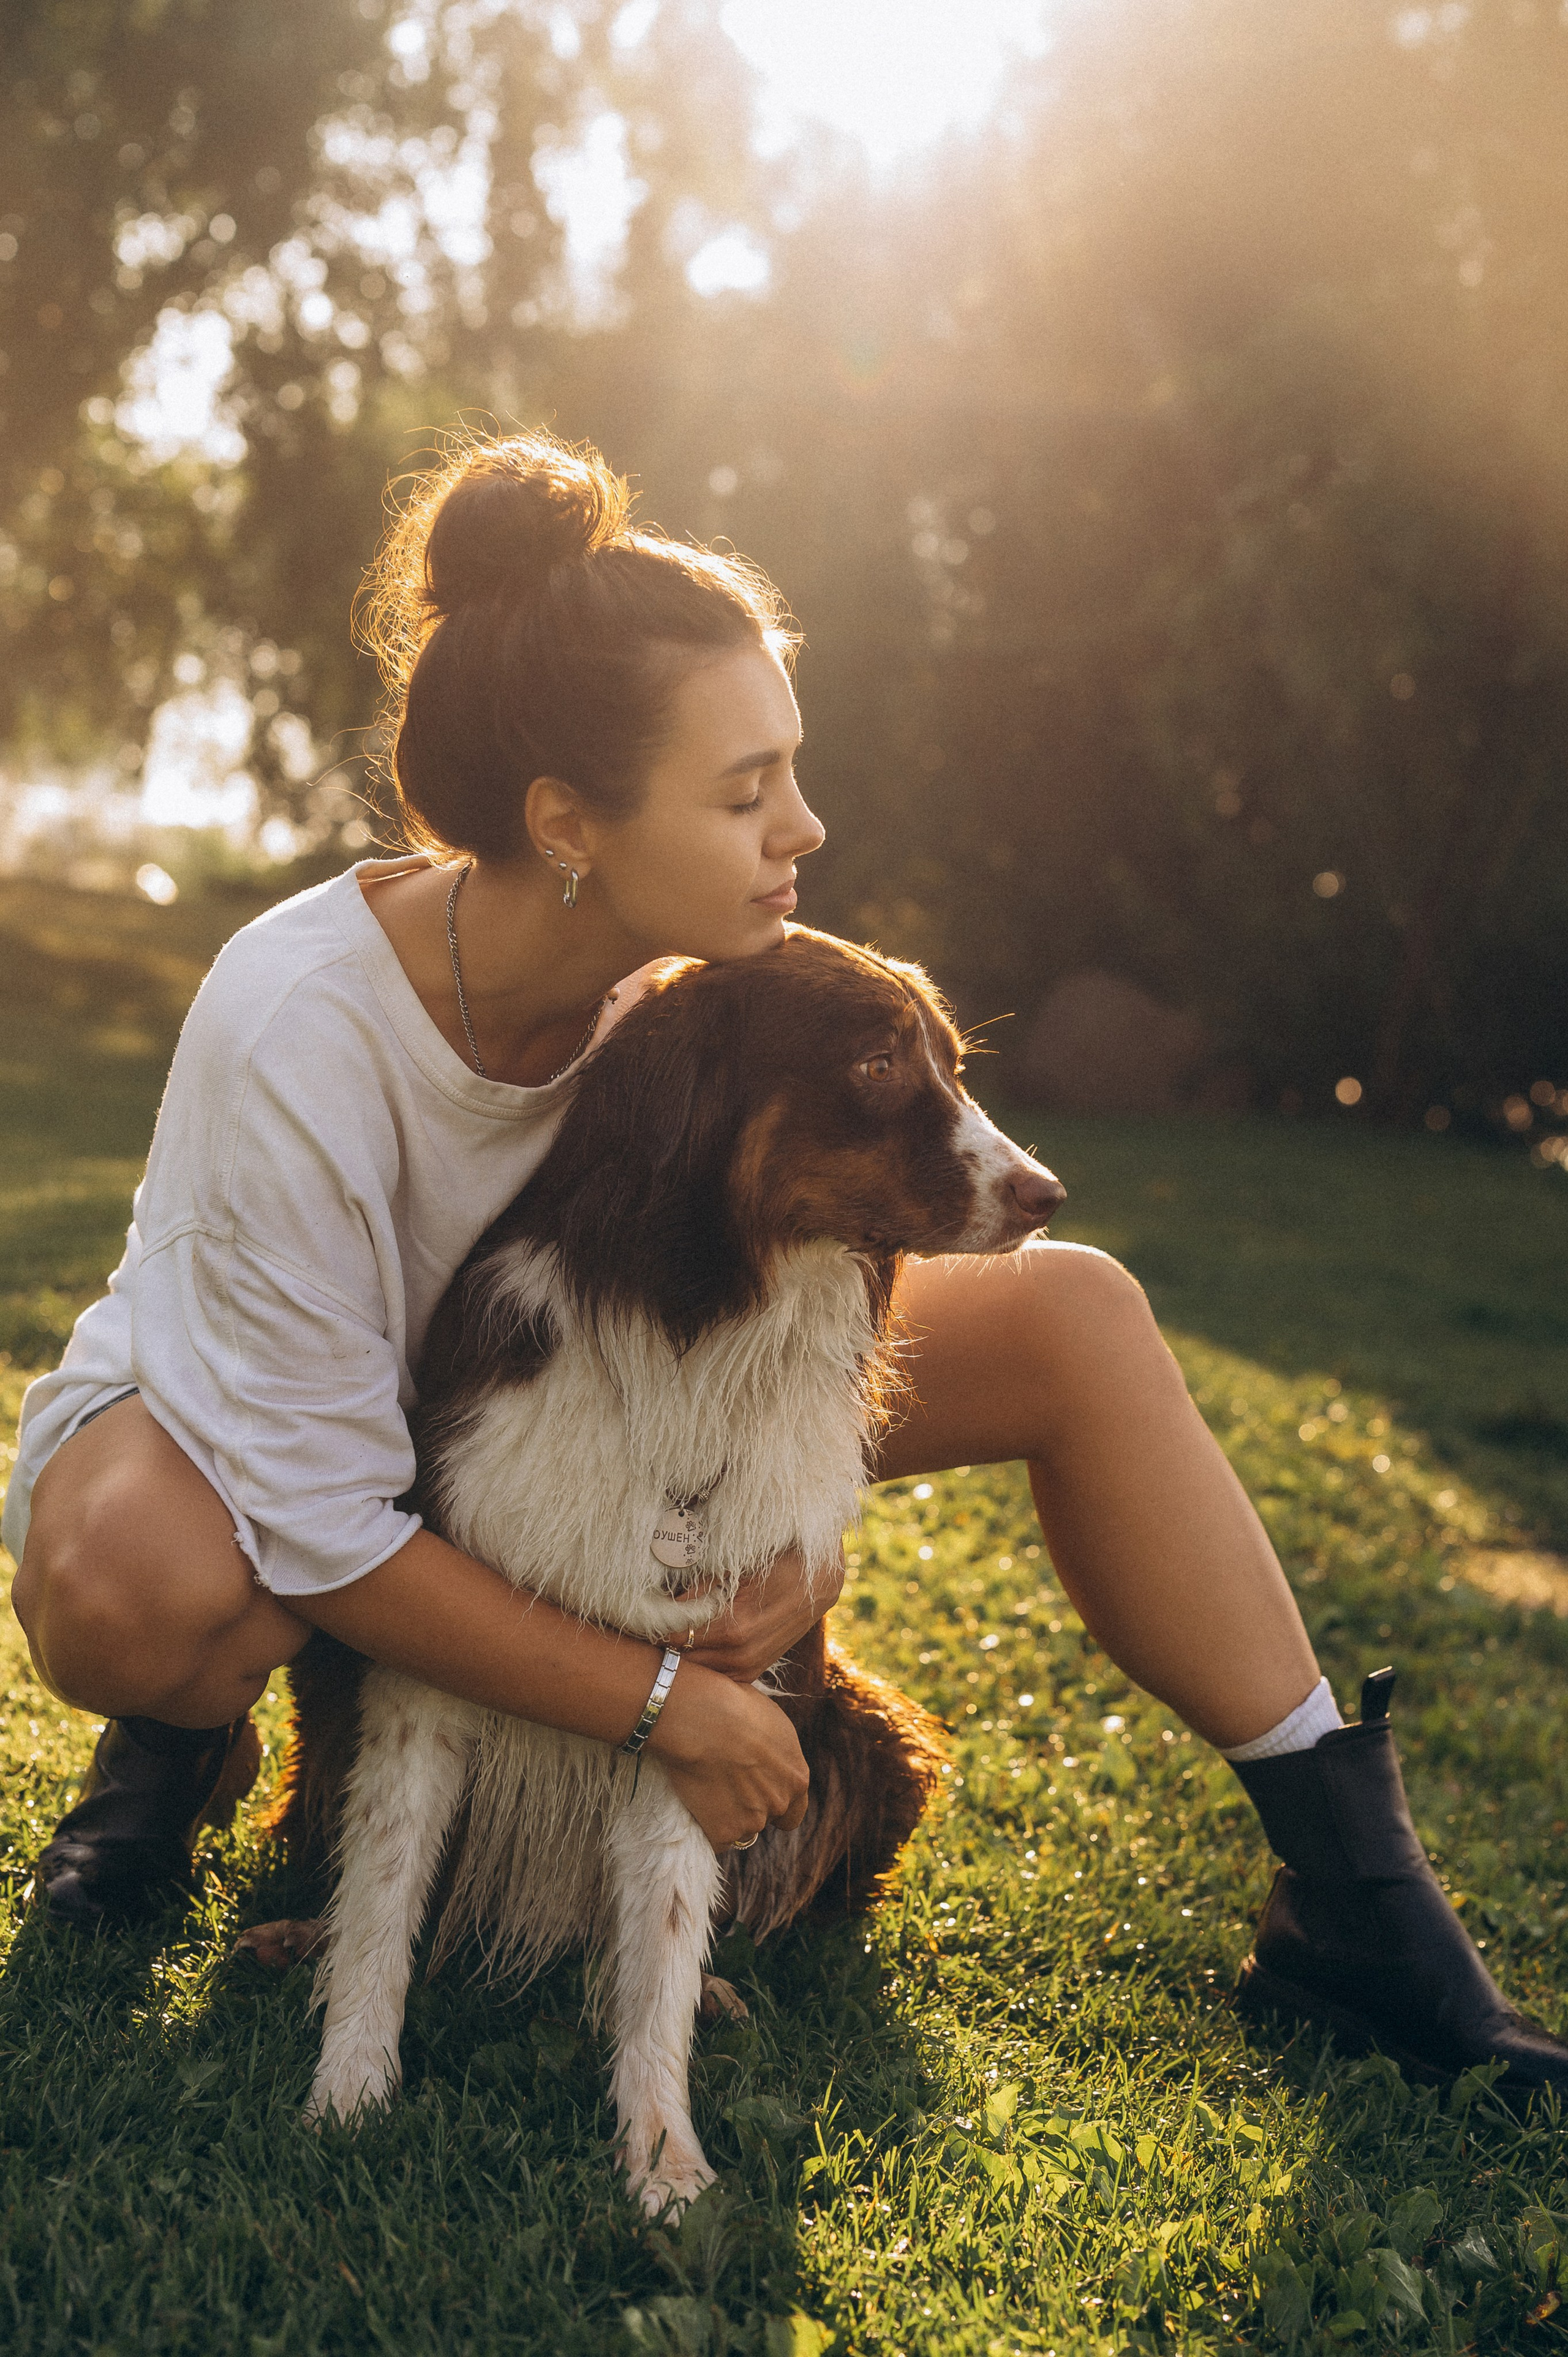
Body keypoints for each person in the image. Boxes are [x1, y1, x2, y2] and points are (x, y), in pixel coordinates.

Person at [6, 430, 1563, 2098]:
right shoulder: (299, 1018)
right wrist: (664, 1700)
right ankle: (167, 1759)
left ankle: (1358, 1906)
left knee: (1079, 1316)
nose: (802, 829)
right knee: (155, 1583)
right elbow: (323, 1515)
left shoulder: (703, 997)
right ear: (568, 822)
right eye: (745, 794)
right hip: (257, 1445)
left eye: (793, 773)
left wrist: (801, 1548)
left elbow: (805, 1283)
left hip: (551, 1416)